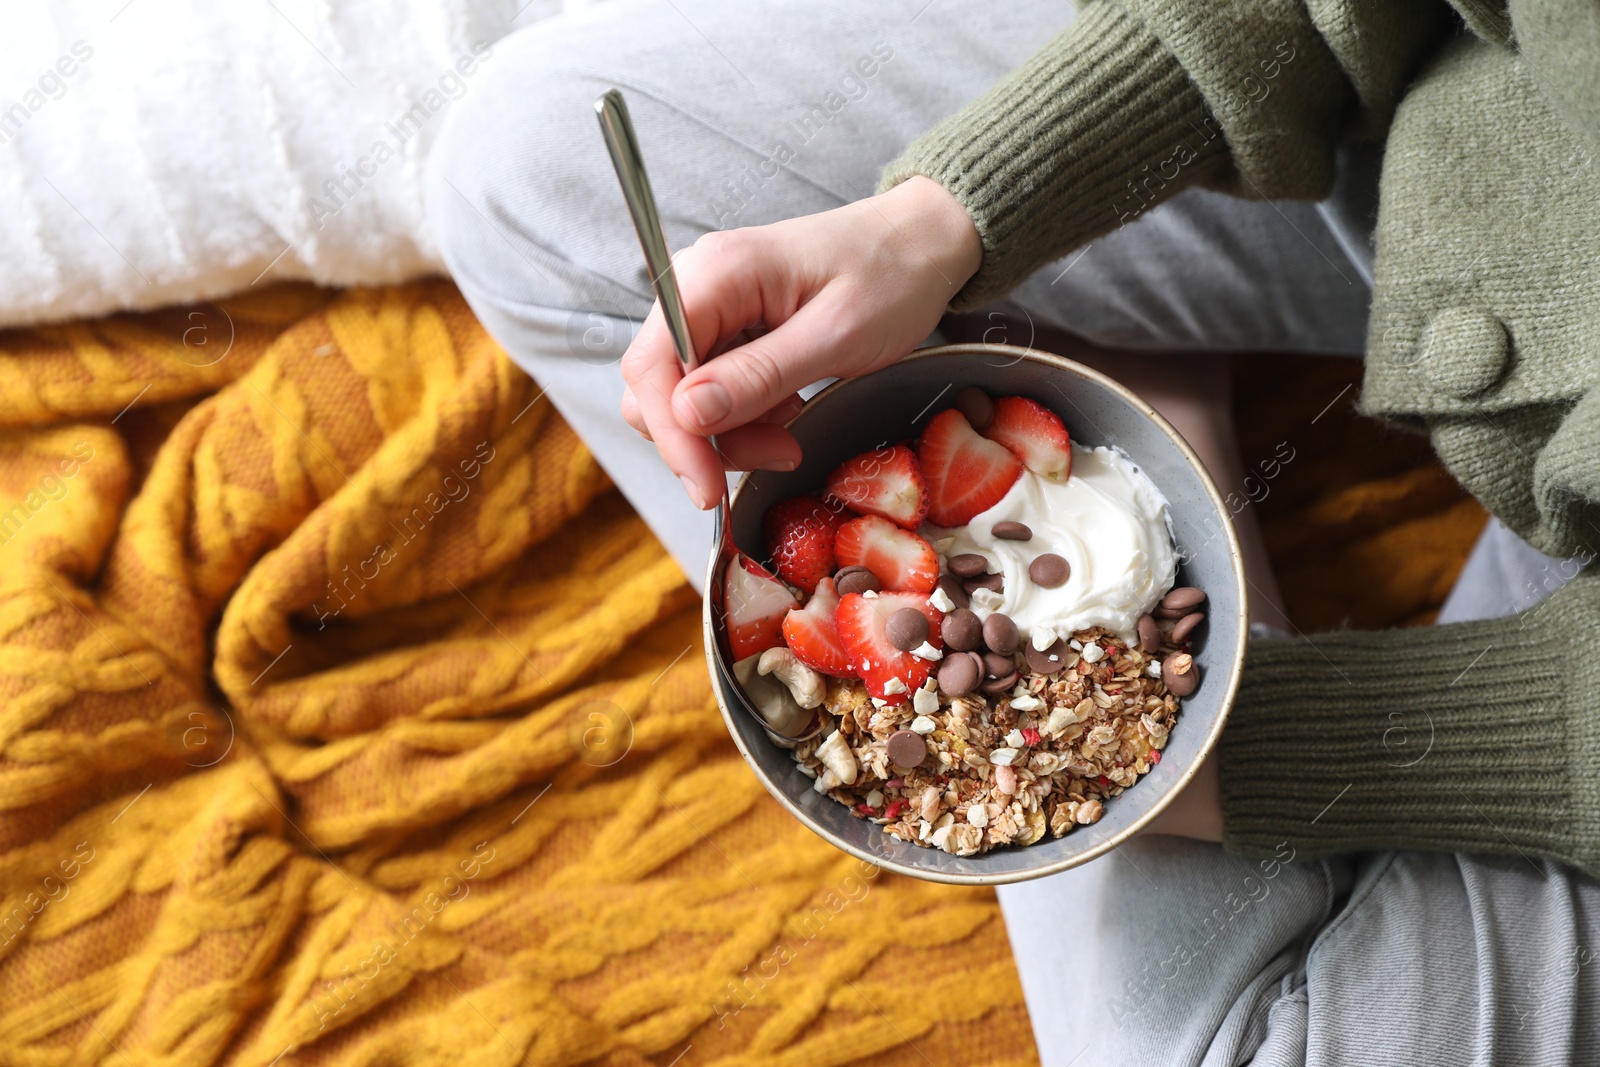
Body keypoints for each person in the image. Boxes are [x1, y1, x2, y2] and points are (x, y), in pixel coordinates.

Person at [425, 1, 1600, 1061]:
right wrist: (948, 214)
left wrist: (1220, 741)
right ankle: (1120, 429)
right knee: (522, 169)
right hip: (1428, 123)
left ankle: (1140, 425)